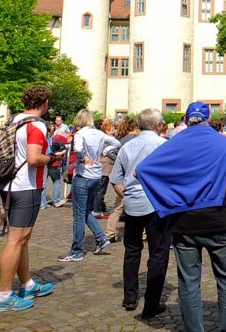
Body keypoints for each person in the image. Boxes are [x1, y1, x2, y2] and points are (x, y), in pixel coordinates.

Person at [136, 101, 226, 332]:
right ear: (208, 119)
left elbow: (141, 171)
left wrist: (169, 194)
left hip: (184, 223)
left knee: (189, 283)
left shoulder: (174, 142)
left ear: (187, 120)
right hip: (220, 221)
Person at [0, 85, 59, 313]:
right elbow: (33, 158)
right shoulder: (36, 125)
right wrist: (50, 158)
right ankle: (4, 295)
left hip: (7, 184)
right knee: (16, 240)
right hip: (26, 186)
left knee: (22, 239)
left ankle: (27, 284)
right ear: (45, 103)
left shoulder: (14, 120)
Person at [109, 108, 170, 319]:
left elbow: (115, 178)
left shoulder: (128, 146)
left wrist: (126, 195)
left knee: (132, 251)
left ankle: (130, 297)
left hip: (133, 204)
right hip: (156, 204)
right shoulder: (163, 145)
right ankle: (151, 303)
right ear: (157, 125)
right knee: (158, 254)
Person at [57, 109, 120, 263]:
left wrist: (83, 159)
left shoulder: (80, 134)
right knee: (85, 211)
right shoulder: (98, 133)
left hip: (84, 176)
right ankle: (101, 237)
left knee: (78, 215)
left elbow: (78, 149)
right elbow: (116, 142)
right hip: (96, 176)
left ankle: (76, 250)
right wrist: (105, 150)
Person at [105, 117, 141, 243]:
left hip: (123, 177)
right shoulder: (138, 140)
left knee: (117, 208)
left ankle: (110, 232)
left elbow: (110, 153)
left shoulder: (121, 141)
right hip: (136, 178)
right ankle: (143, 234)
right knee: (143, 206)